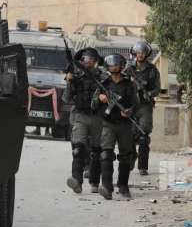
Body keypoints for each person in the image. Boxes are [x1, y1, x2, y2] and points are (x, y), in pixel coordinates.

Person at [92, 53, 139, 200]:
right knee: (106, 154)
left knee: (125, 157)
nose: (114, 67)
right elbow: (93, 105)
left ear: (122, 66)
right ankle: (107, 187)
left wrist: (129, 111)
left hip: (124, 125)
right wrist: (100, 98)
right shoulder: (103, 84)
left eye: (117, 65)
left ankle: (123, 186)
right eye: (112, 65)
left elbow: (136, 104)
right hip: (108, 124)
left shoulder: (129, 85)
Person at [64, 48, 104, 194]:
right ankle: (76, 181)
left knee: (96, 152)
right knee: (78, 149)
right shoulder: (77, 76)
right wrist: (70, 82)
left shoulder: (102, 77)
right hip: (80, 116)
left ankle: (94, 181)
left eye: (91, 59)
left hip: (97, 117)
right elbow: (66, 98)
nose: (88, 62)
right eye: (86, 59)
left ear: (96, 61)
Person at [125, 41, 161, 176]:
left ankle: (143, 167)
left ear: (146, 54)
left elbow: (157, 89)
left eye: (142, 53)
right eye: (138, 53)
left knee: (143, 137)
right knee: (129, 136)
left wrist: (148, 94)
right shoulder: (129, 69)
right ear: (134, 53)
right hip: (131, 105)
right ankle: (131, 158)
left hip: (145, 106)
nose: (140, 55)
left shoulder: (152, 70)